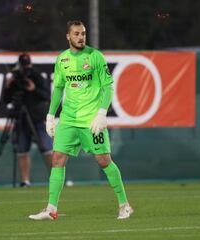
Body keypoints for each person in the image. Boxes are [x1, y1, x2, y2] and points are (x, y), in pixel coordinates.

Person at [29, 20, 133, 220]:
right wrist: (51, 116)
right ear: (68, 36)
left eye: (83, 33)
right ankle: (51, 209)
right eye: (76, 34)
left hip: (91, 120)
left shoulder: (95, 57)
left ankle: (124, 205)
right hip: (68, 119)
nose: (80, 37)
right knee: (57, 159)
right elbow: (59, 88)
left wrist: (102, 113)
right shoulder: (62, 60)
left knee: (104, 161)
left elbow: (108, 87)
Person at [3, 53, 53, 187]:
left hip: (37, 117)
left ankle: (56, 178)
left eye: (27, 67)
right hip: (21, 118)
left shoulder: (37, 77)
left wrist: (34, 89)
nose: (25, 70)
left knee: (47, 148)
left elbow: (47, 95)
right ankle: (25, 181)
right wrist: (8, 86)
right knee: (22, 149)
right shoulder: (15, 79)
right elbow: (6, 100)